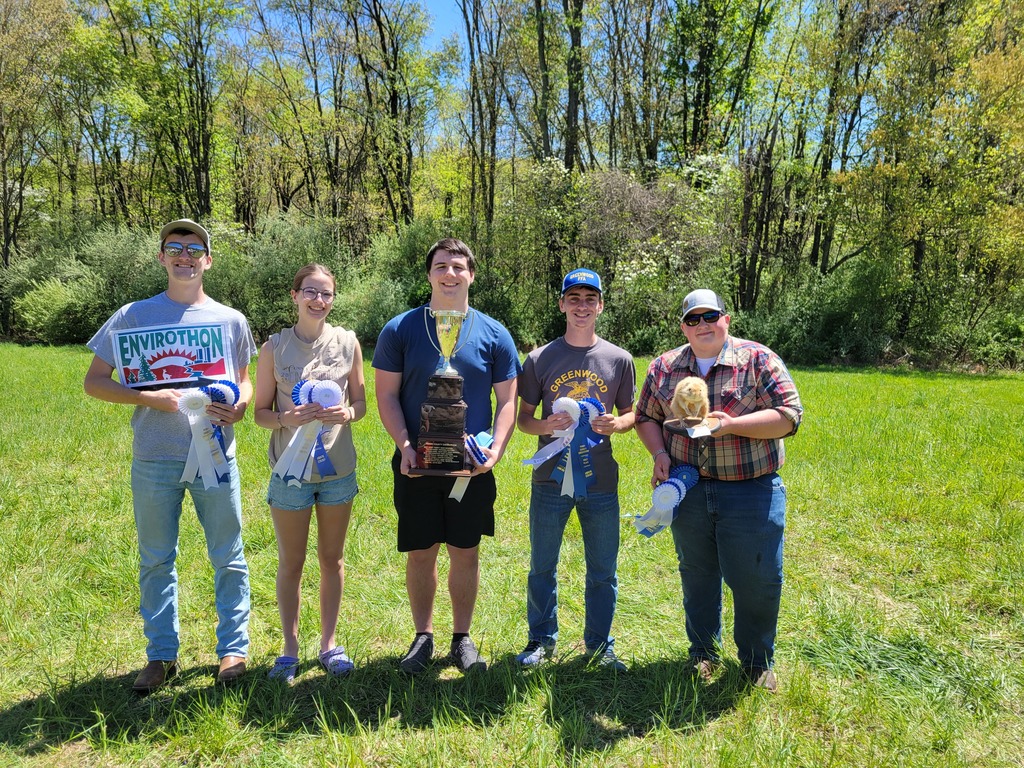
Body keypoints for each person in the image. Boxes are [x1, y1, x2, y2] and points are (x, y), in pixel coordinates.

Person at [84, 219, 256, 693]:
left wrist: (241, 405)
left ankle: (233, 650)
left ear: (208, 260)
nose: (185, 256)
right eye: (175, 247)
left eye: (194, 249)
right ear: (161, 257)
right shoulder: (132, 316)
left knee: (229, 556)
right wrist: (148, 398)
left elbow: (244, 381)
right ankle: (161, 655)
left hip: (216, 457)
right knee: (157, 560)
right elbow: (94, 382)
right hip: (154, 458)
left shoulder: (231, 320)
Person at [634, 289, 803, 692]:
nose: (702, 325)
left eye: (710, 316)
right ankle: (703, 654)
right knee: (697, 576)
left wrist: (730, 425)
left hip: (750, 490)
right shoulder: (664, 367)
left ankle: (757, 662)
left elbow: (789, 417)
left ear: (726, 319)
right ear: (683, 327)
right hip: (688, 490)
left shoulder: (758, 359)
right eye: (693, 319)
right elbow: (645, 417)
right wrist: (659, 453)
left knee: (757, 579)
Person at [372, 238, 521, 674]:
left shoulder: (495, 333)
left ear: (471, 274)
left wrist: (495, 449)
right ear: (429, 274)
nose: (450, 274)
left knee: (465, 551)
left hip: (471, 466)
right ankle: (422, 637)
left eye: (458, 266)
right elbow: (386, 395)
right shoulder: (400, 329)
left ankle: (461, 638)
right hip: (416, 464)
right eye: (441, 266)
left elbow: (507, 402)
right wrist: (404, 446)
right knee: (421, 551)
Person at [516, 268, 636, 670]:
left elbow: (632, 413)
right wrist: (544, 426)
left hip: (600, 482)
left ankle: (600, 646)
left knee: (603, 569)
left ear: (600, 306)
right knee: (542, 566)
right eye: (574, 298)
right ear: (562, 304)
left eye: (590, 299)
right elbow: (523, 419)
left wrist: (617, 424)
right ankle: (541, 641)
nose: (581, 306)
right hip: (549, 480)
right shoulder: (539, 359)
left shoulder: (619, 360)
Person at [252, 264, 366, 683]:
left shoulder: (348, 343)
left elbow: (361, 404)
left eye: (326, 294)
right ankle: (289, 650)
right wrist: (287, 418)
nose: (319, 300)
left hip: (337, 472)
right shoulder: (274, 348)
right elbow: (260, 414)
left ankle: (329, 645)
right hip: (290, 475)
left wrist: (347, 413)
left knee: (332, 560)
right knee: (291, 562)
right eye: (311, 292)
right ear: (295, 295)